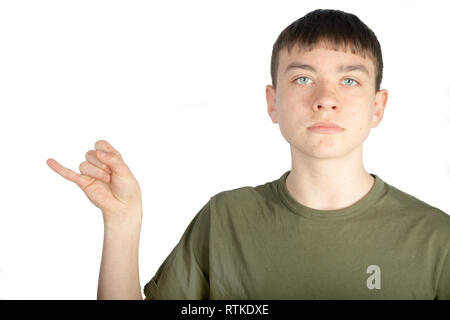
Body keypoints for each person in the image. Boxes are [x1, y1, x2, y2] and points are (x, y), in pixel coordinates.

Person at [47, 8, 450, 300]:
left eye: (348, 80)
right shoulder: (225, 220)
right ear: (273, 103)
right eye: (303, 78)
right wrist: (122, 222)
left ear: (377, 106)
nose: (326, 99)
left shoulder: (437, 239)